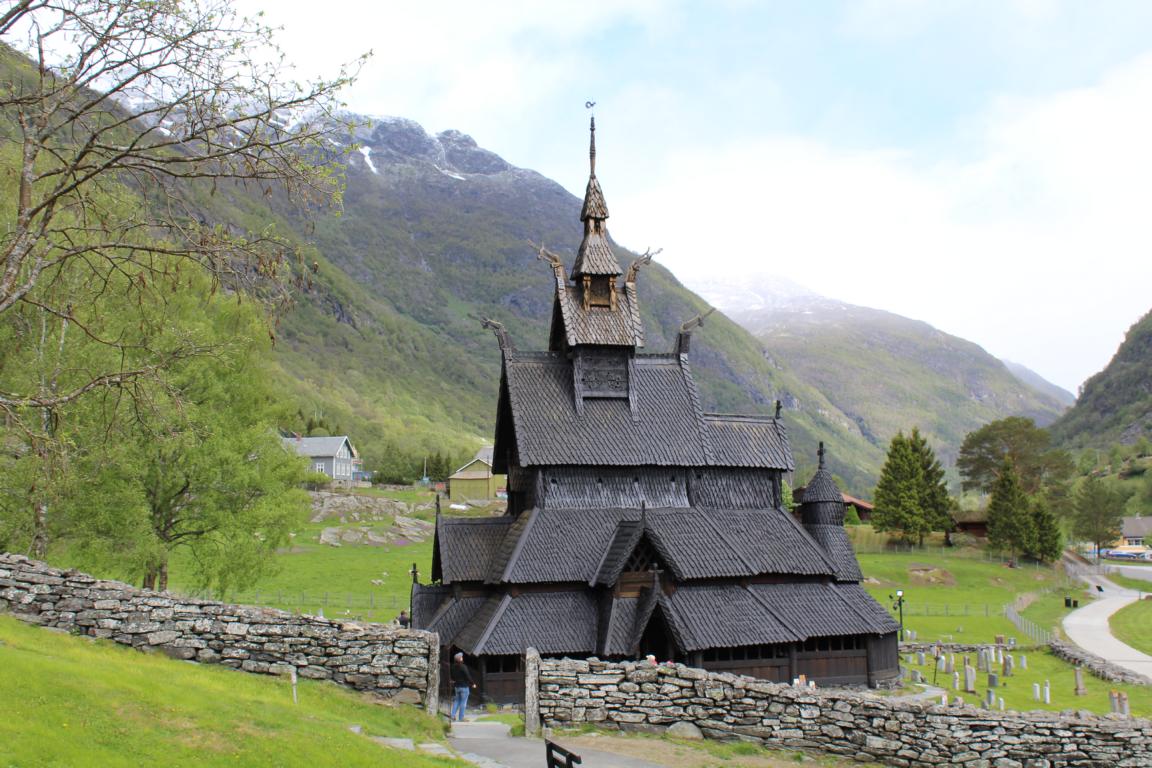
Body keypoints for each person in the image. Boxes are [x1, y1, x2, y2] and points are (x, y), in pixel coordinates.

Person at [450, 652, 475, 722]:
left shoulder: (452, 667)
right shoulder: (463, 667)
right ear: (460, 659)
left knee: (457, 701)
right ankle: (461, 718)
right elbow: (468, 676)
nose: (462, 657)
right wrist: (473, 683)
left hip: (456, 687)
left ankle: (452, 716)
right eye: (461, 657)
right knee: (463, 702)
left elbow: (452, 677)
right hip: (464, 687)